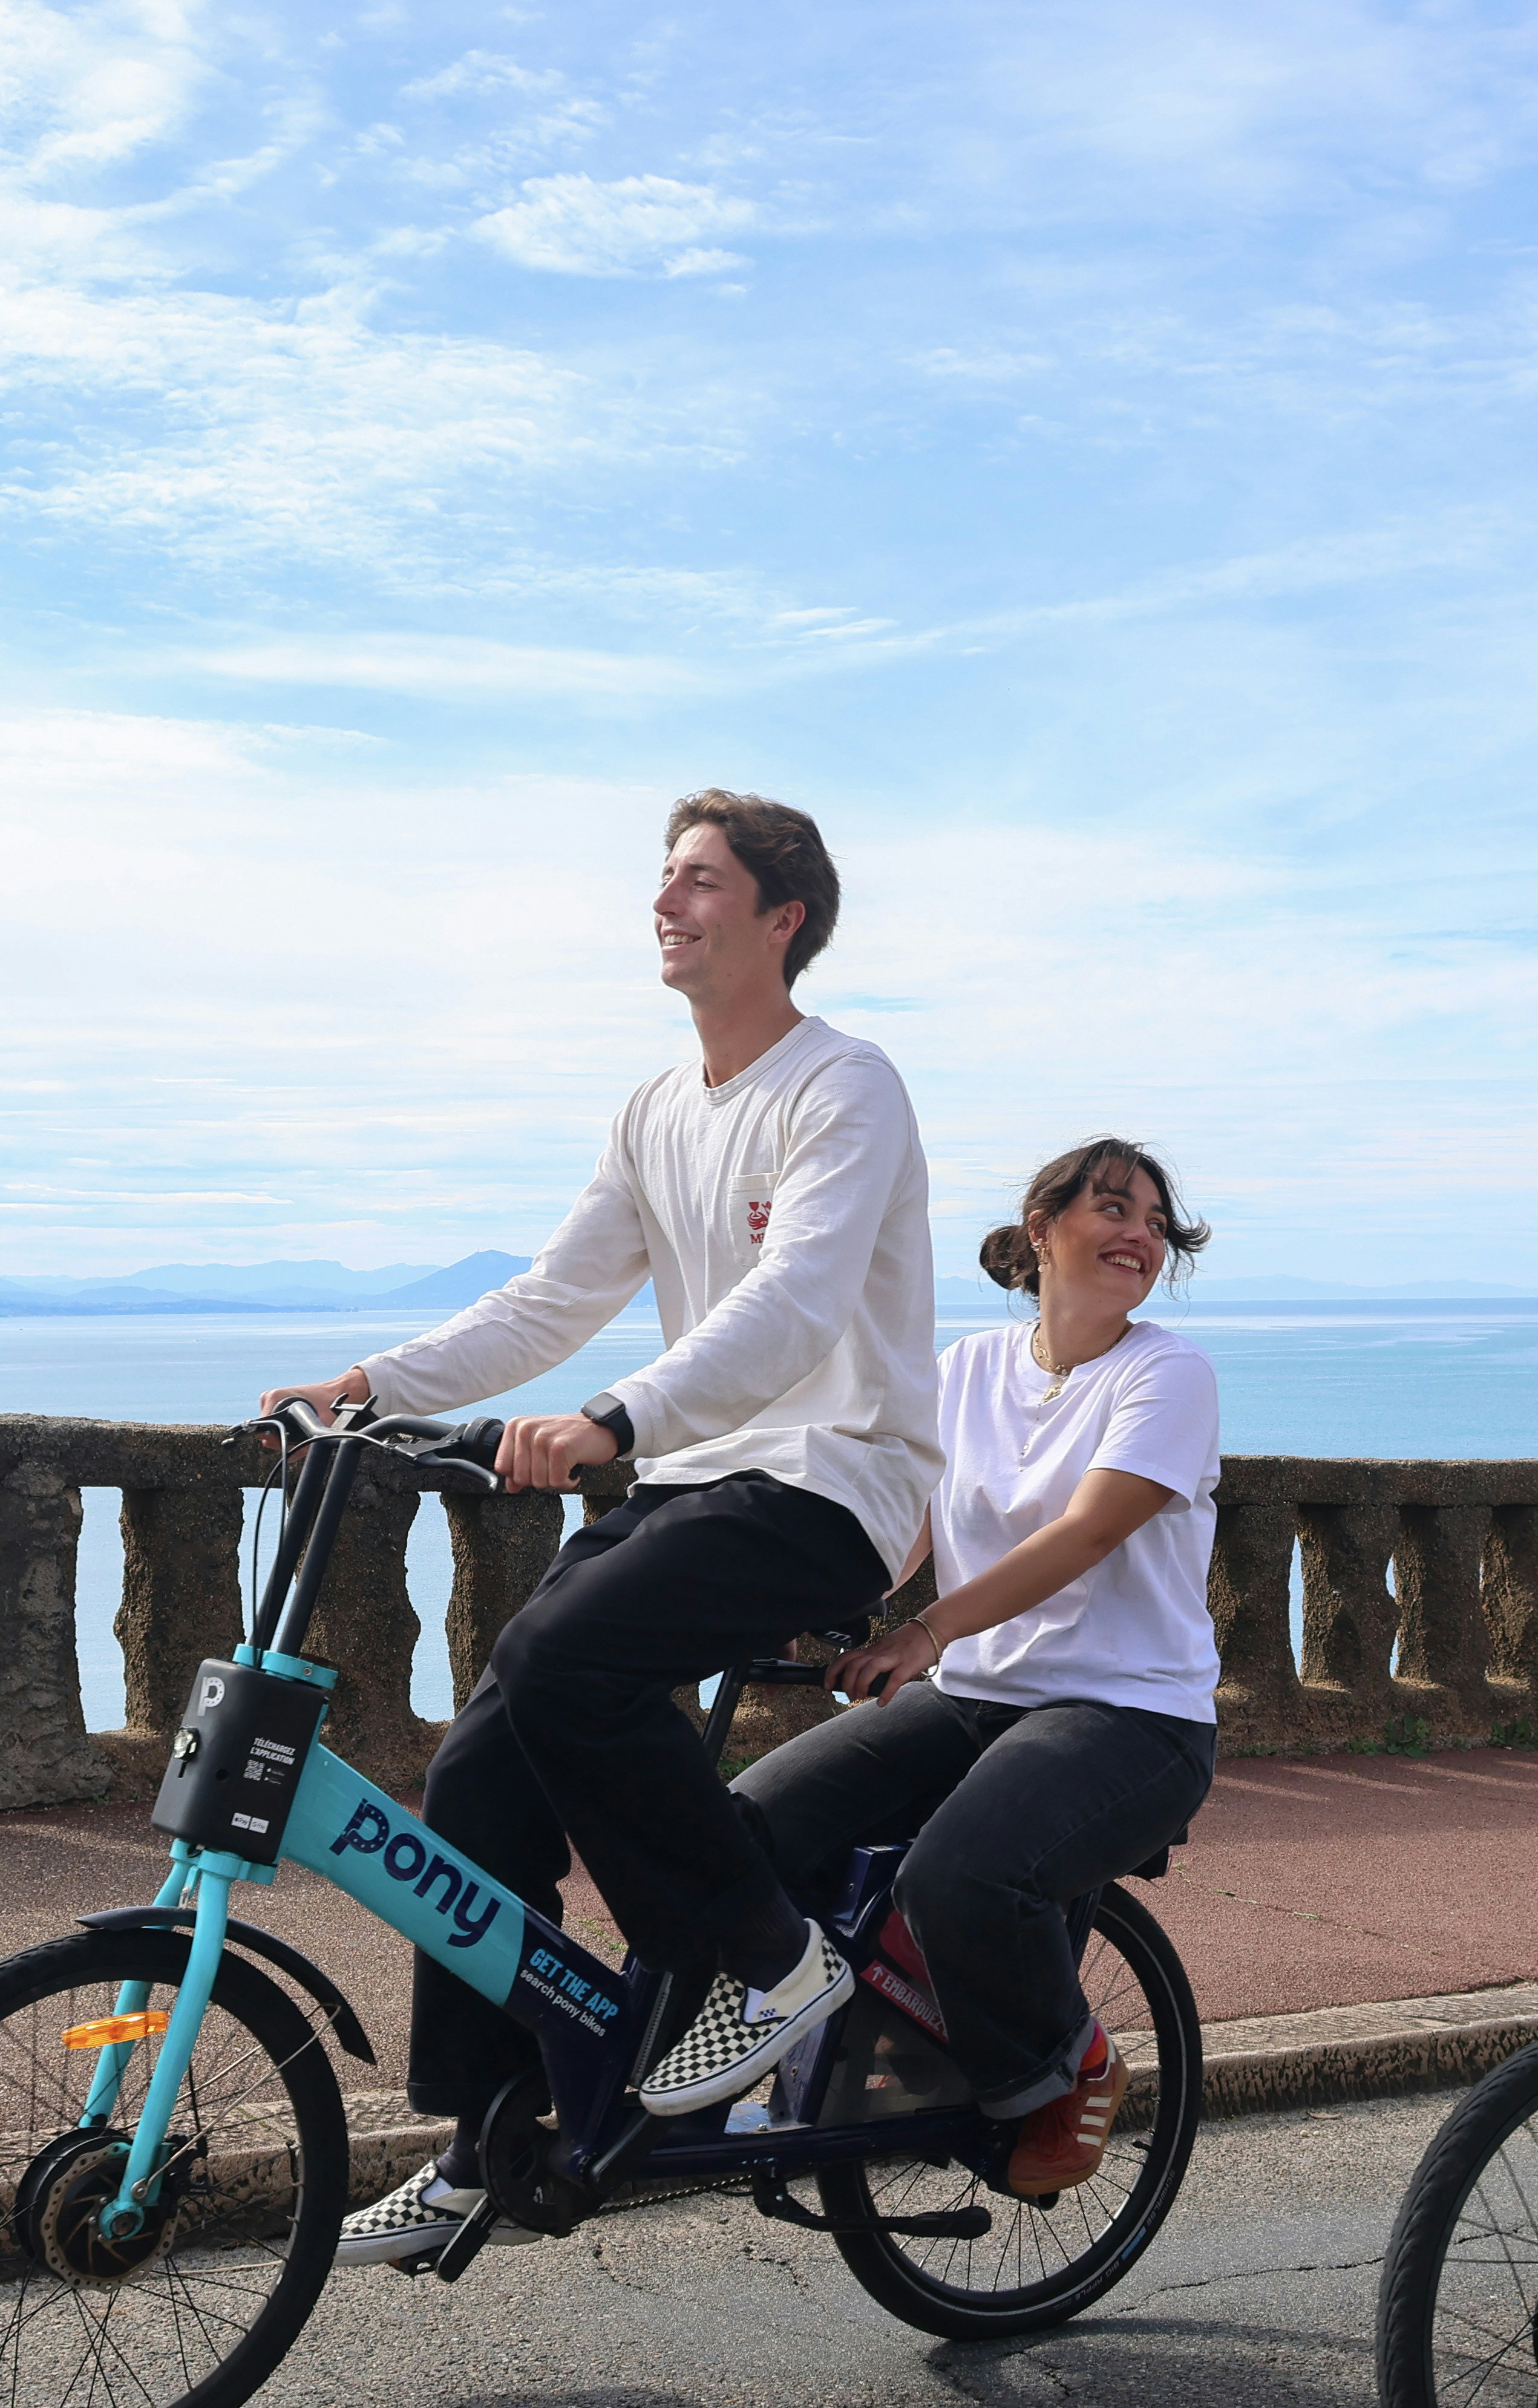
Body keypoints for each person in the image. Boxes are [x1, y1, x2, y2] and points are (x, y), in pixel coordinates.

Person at [266, 790, 941, 2267]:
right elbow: (549, 1297)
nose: (668, 902)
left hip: (834, 1484)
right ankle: (491, 2127)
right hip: (699, 1485)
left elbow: (802, 1303)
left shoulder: (847, 1086)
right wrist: (372, 1386)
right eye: (663, 881)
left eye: (703, 881)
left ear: (785, 919)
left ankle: (765, 1959)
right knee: (483, 1757)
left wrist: (620, 1420)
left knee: (570, 1656)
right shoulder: (652, 1109)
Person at [731, 1139, 1223, 2198]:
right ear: (1042, 1232)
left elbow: (1087, 1532)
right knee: (748, 1824)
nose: (1138, 1233)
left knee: (962, 1874)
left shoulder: (1167, 1374)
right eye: (1111, 1208)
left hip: (1128, 1717)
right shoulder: (965, 1370)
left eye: (1153, 1219)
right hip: (975, 1698)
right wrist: (791, 1608)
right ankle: (815, 2029)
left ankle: (1066, 2063)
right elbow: (904, 1526)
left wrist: (927, 1633)